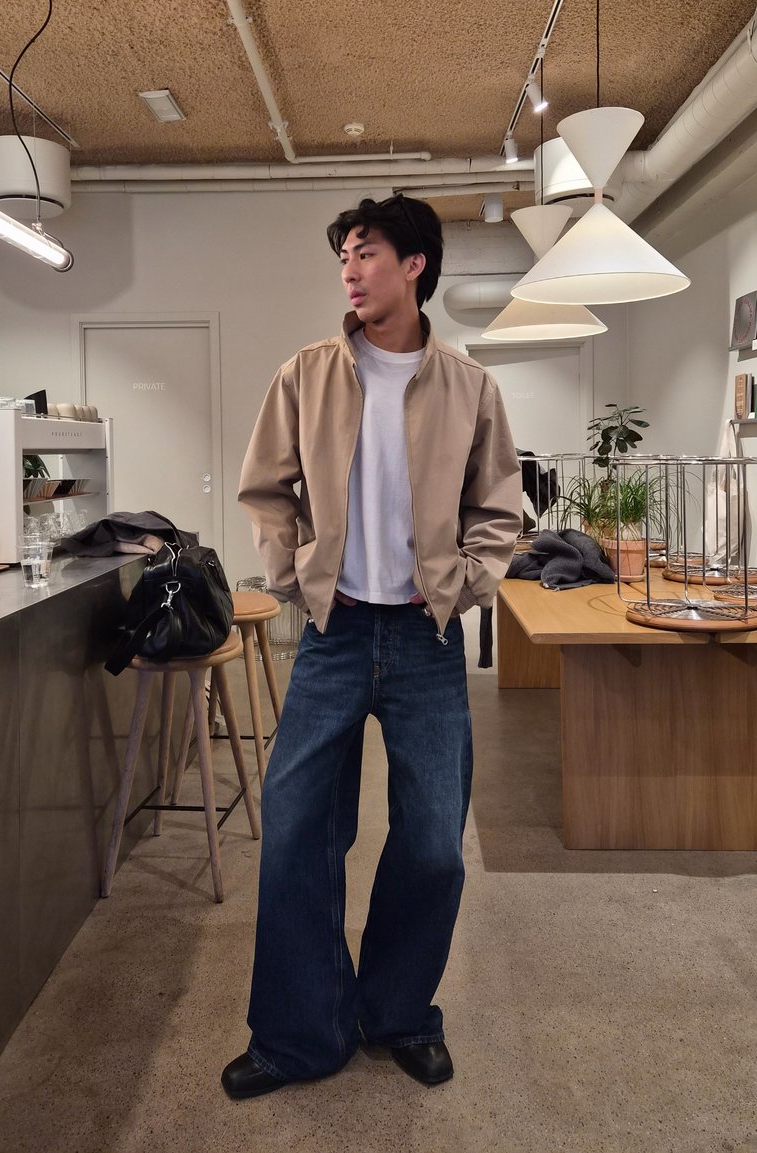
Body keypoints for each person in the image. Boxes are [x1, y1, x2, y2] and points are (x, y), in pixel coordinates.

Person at [223, 194, 522, 1100]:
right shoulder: (307, 374)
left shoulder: (469, 385)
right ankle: (298, 1033)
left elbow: (499, 505)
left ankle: (398, 1013)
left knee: (434, 842)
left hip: (428, 638)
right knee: (299, 834)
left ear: (415, 264)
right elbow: (267, 490)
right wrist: (290, 572)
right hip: (333, 632)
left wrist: (467, 581)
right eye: (344, 258)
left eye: (366, 254)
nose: (350, 271)